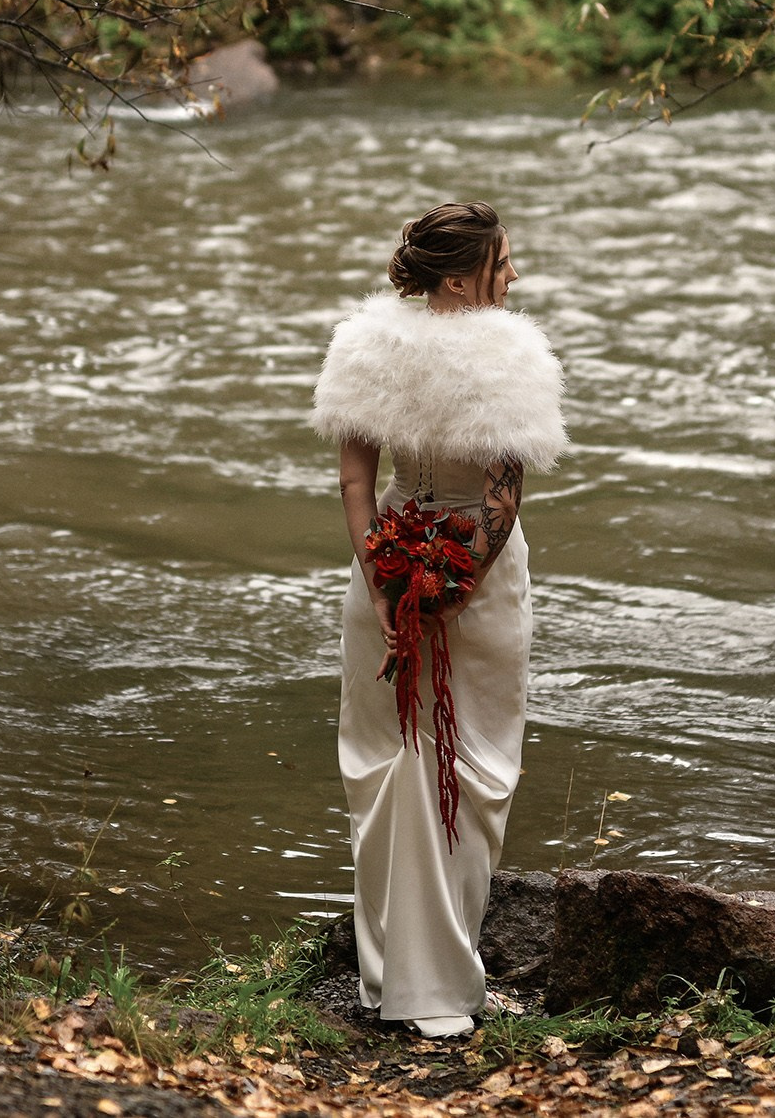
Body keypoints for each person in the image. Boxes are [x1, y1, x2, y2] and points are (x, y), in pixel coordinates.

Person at [309, 201, 567, 1038]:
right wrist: (450, 586)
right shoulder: (512, 350)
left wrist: (384, 581)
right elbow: (503, 493)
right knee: (467, 763)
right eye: (503, 262)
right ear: (461, 274)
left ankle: (388, 979)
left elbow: (356, 480)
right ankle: (443, 985)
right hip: (477, 581)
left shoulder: (365, 343)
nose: (514, 276)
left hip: (382, 561)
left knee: (394, 760)